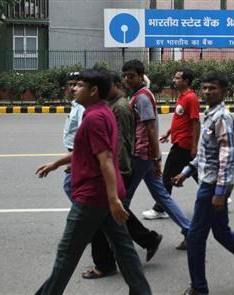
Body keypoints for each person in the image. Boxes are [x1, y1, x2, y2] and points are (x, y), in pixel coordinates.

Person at [34, 69, 151, 295]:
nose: (73, 88)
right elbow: (88, 150)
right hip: (105, 195)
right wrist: (57, 163)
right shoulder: (101, 111)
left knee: (66, 255)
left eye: (79, 85)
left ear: (94, 90)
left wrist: (113, 200)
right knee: (124, 250)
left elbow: (106, 159)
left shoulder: (95, 118)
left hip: (93, 198)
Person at [173, 71, 234, 295]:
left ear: (224, 91)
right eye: (205, 88)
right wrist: (187, 171)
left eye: (213, 88)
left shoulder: (223, 117)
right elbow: (207, 153)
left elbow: (227, 157)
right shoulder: (210, 114)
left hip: (212, 187)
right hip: (209, 182)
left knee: (195, 237)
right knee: (222, 234)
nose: (207, 92)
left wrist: (219, 191)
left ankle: (199, 288)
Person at [81, 72, 163, 280]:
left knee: (105, 215)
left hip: (119, 167)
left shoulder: (120, 108)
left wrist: (112, 170)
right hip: (114, 167)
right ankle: (146, 240)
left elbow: (120, 143)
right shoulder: (111, 105)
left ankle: (107, 263)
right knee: (112, 213)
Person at [121, 59, 191, 249]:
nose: (127, 79)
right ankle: (189, 230)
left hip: (142, 155)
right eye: (125, 76)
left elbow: (151, 128)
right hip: (144, 155)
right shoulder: (138, 95)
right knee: (161, 195)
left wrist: (156, 157)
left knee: (122, 200)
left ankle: (121, 241)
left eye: (131, 76)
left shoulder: (142, 97)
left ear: (140, 77)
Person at [142, 69, 200, 225]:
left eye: (177, 78)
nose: (174, 80)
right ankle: (217, 193)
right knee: (194, 171)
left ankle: (160, 208)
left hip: (184, 143)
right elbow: (179, 119)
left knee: (167, 175)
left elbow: (195, 122)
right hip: (179, 141)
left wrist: (194, 146)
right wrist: (168, 133)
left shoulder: (191, 98)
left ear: (186, 81)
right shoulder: (182, 97)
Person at [62, 72, 85, 201]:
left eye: (76, 84)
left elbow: (83, 134)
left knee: (69, 186)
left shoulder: (82, 106)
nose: (73, 88)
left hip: (78, 153)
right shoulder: (76, 104)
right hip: (74, 152)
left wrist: (74, 160)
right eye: (70, 84)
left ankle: (83, 212)